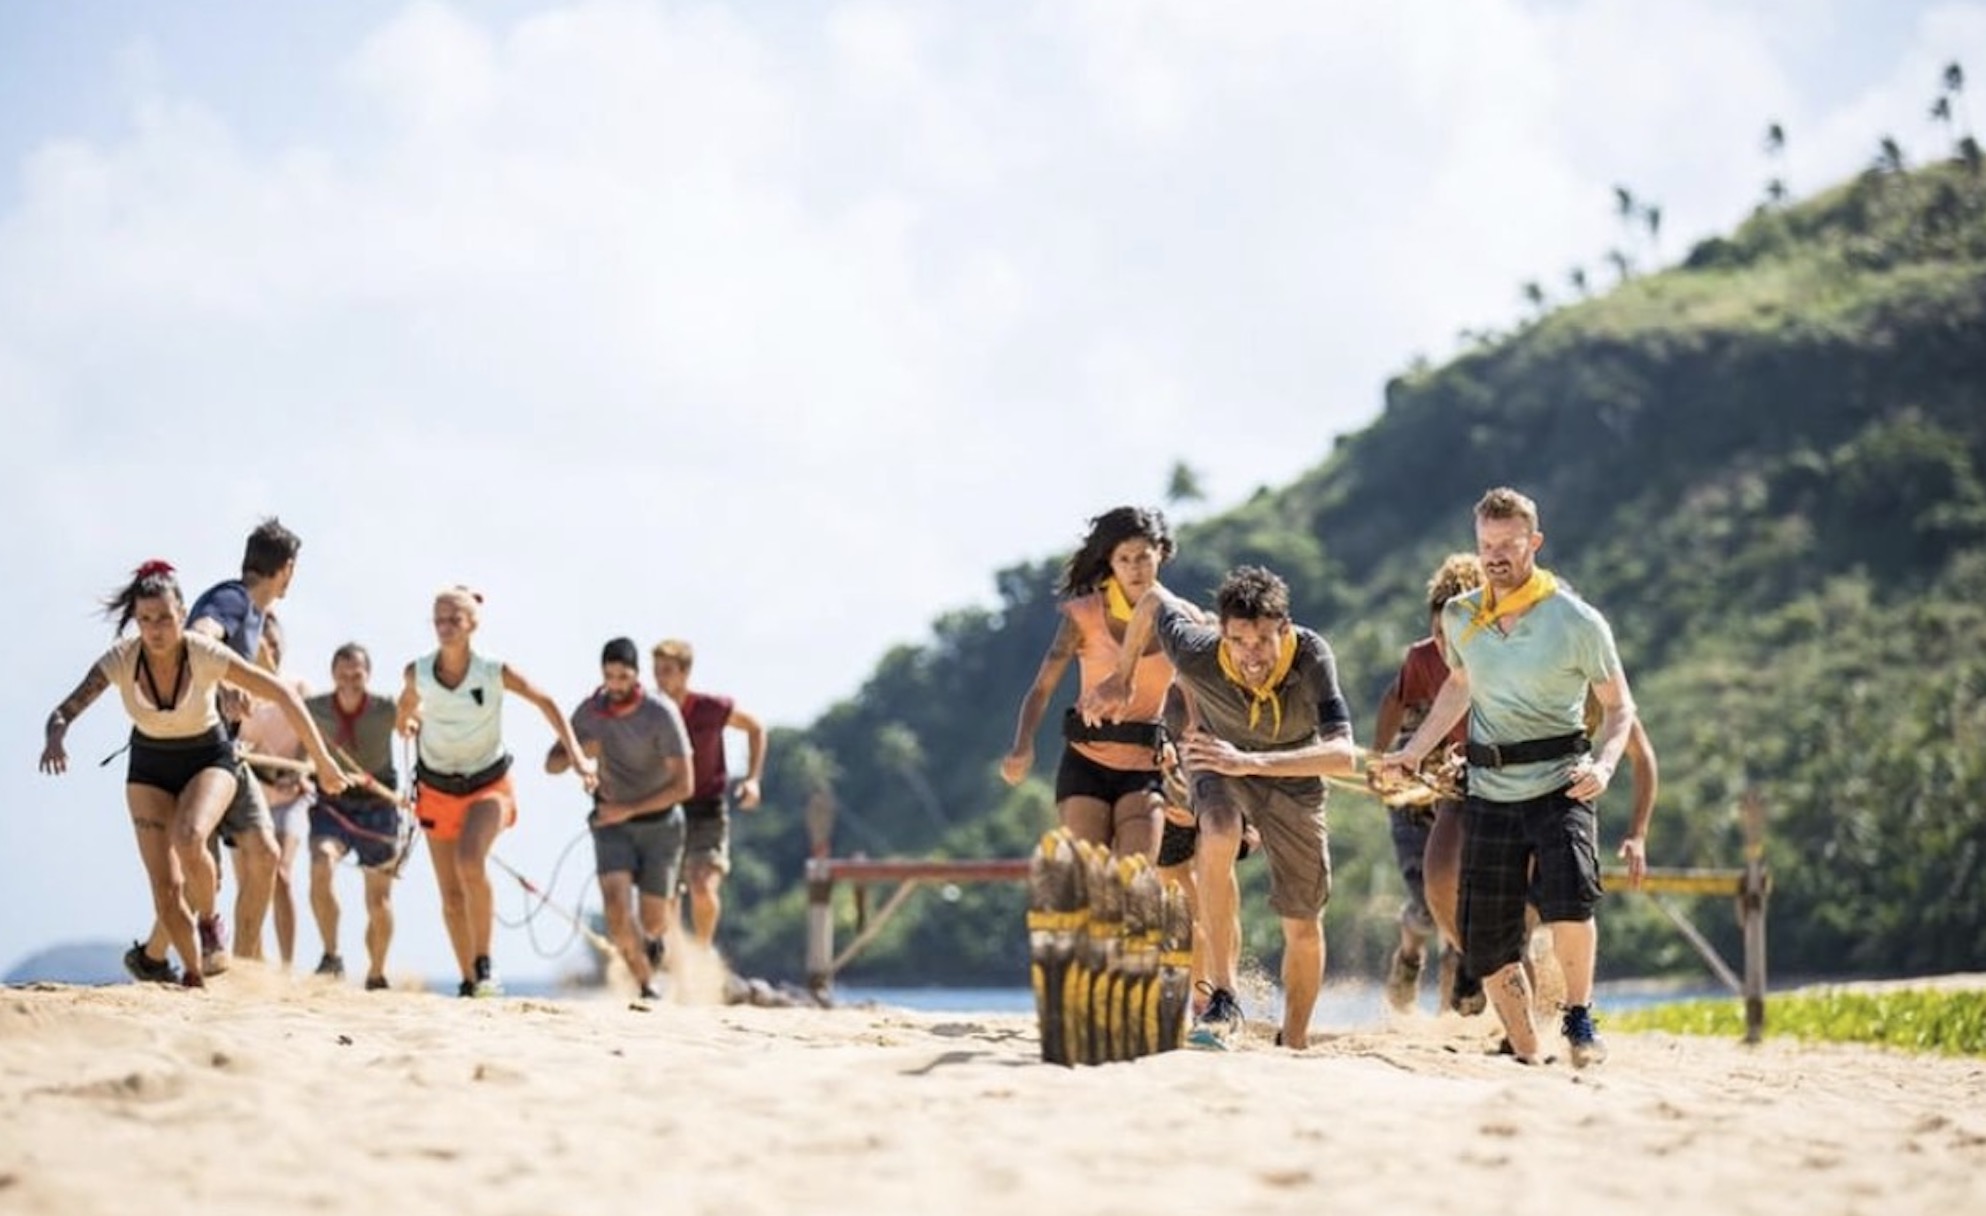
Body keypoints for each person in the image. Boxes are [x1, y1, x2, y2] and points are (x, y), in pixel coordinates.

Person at [1382, 486, 1639, 1067]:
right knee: (1487, 939)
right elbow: (1459, 686)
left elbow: (1621, 709)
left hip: (1561, 782)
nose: (1496, 555)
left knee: (1571, 901)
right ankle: (1527, 1047)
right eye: (1486, 544)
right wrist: (1413, 751)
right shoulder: (1461, 615)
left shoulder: (1578, 621)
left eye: (1508, 543)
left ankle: (1578, 1016)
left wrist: (1603, 765)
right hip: (1489, 790)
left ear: (1534, 543)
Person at [1083, 565, 1358, 1051]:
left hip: (1291, 776)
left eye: (1263, 641)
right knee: (1219, 829)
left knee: (1303, 923)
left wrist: (1251, 760)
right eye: (1238, 641)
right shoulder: (1196, 650)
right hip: (1216, 762)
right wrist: (1123, 678)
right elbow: (1150, 600)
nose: (1251, 655)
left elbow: (1343, 755)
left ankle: (1293, 1042)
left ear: (1285, 630)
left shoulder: (1312, 656)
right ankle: (1223, 997)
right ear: (1222, 635)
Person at [38, 561, 347, 987]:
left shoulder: (203, 653)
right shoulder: (122, 659)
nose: (156, 629)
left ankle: (210, 923)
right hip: (149, 766)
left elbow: (280, 692)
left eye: (165, 618)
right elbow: (64, 710)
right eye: (145, 620)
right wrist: (56, 737)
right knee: (166, 892)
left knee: (190, 837)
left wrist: (324, 762)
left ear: (182, 615)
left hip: (208, 758)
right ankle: (195, 976)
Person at [397, 586, 597, 997]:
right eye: (439, 619)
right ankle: (469, 980)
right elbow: (405, 709)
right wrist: (409, 722)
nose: (445, 626)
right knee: (451, 895)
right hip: (435, 788)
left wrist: (576, 756)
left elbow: (546, 702)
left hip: (488, 784)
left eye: (454, 619)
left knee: (471, 861)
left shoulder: (493, 671)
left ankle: (485, 965)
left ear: (472, 624)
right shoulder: (416, 672)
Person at [127, 517, 302, 978]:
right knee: (205, 874)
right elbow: (202, 635)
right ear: (286, 569)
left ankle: (215, 962)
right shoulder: (232, 598)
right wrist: (219, 684)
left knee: (260, 854)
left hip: (224, 753)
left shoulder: (255, 613)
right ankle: (163, 957)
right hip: (200, 754)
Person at [1001, 506, 1175, 860]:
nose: (1135, 567)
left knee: (1135, 881)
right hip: (1085, 763)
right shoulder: (1083, 616)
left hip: (1144, 768)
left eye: (1143, 556)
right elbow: (1041, 688)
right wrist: (1023, 745)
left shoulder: (1179, 621)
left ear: (1161, 553)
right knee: (1091, 884)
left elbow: (1196, 695)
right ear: (1109, 562)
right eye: (1123, 558)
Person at [547, 637, 694, 1000]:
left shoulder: (660, 713)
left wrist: (629, 809)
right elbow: (551, 764)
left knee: (654, 920)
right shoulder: (589, 712)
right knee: (615, 907)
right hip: (610, 825)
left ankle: (655, 940)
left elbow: (684, 786)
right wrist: (579, 753)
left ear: (636, 675)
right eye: (609, 676)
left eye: (623, 676)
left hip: (661, 825)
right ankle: (645, 984)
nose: (615, 685)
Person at [1371, 553, 1485, 1016]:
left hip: (1471, 784)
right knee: (1428, 900)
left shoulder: (1502, 655)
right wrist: (1378, 762)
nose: (1445, 644)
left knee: (1468, 901)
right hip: (1416, 791)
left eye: (1455, 633)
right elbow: (1392, 702)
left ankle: (1450, 1017)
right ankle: (1409, 949)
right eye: (1438, 633)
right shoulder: (1421, 659)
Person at [304, 642, 409, 990]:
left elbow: (417, 729)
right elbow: (293, 740)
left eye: (357, 674)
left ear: (368, 675)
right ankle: (331, 956)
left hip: (380, 807)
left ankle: (376, 973)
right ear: (333, 674)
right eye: (343, 673)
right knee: (321, 864)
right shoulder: (312, 709)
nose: (349, 680)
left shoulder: (386, 709)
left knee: (378, 901)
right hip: (332, 803)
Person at [650, 639, 765, 949]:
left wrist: (753, 779)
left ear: (685, 673)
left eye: (668, 671)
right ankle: (672, 961)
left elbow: (755, 728)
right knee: (665, 897)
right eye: (657, 672)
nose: (661, 679)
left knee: (702, 887)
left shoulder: (710, 709)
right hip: (664, 810)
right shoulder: (650, 713)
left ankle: (702, 950)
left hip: (707, 810)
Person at [234, 611, 314, 969]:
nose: (272, 651)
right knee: (250, 882)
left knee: (280, 874)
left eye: (276, 644)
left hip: (291, 797)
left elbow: (312, 739)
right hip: (250, 797)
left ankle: (286, 966)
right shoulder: (237, 693)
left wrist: (298, 771)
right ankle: (252, 961)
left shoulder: (296, 687)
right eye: (265, 645)